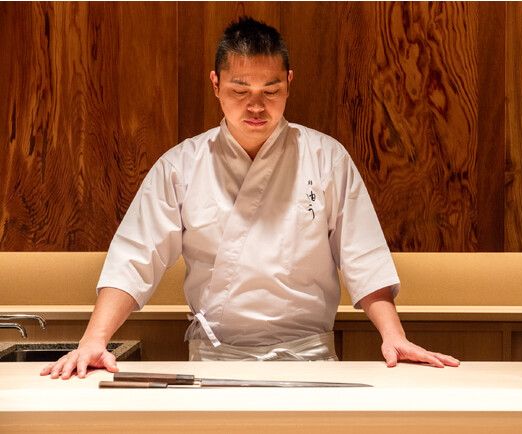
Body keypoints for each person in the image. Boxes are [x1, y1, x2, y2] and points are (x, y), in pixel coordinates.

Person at [42, 17, 459, 380]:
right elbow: (135, 255)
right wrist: (94, 340)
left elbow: (363, 255)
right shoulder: (181, 166)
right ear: (216, 84)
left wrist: (394, 335)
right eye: (240, 90)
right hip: (214, 361)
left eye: (270, 90)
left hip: (310, 360)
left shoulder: (326, 158)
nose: (256, 106)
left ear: (289, 83)